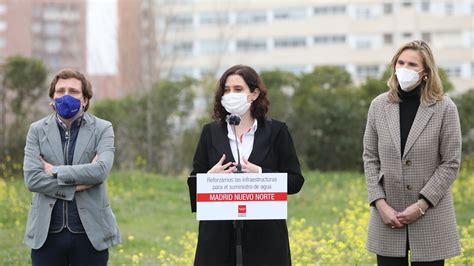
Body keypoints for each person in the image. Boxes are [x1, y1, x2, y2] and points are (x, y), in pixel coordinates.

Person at [190, 64, 304, 265]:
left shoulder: (277, 131)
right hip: (218, 237)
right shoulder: (210, 132)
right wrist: (210, 177)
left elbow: (295, 181)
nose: (231, 94)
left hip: (265, 238)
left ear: (254, 94)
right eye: (227, 90)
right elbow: (193, 183)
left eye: (238, 89)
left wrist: (260, 173)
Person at [363, 40, 462, 265]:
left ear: (425, 72)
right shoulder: (378, 105)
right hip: (387, 216)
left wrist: (421, 205)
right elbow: (370, 158)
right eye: (400, 62)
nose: (404, 69)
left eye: (412, 65)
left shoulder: (445, 108)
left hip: (430, 215)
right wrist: (380, 203)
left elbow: (451, 163)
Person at [23, 69, 121, 265]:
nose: (66, 96)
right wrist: (76, 186)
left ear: (85, 99)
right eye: (60, 91)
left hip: (90, 234)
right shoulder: (36, 130)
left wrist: (55, 171)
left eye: (73, 91)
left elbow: (100, 171)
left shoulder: (103, 129)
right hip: (47, 234)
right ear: (52, 97)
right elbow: (32, 179)